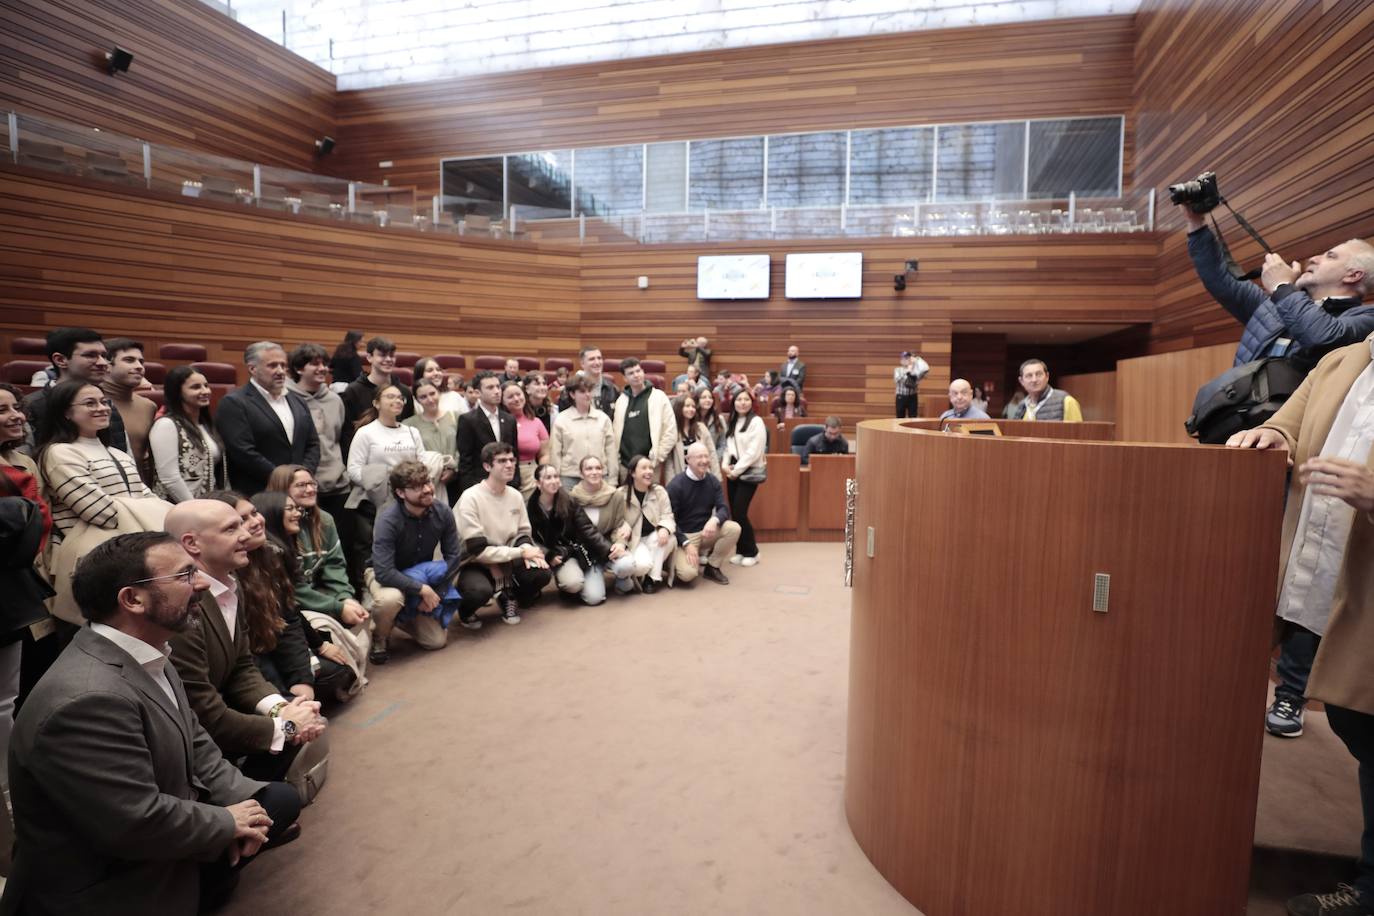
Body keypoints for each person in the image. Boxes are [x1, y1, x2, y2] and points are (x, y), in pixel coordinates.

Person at [0, 532, 300, 916]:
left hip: (155, 837)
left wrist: (246, 808)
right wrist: (225, 822)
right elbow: (134, 821)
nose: (204, 583)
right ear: (132, 599)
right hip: (109, 886)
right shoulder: (87, 700)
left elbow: (197, 745)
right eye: (186, 574)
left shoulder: (148, 651)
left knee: (274, 800)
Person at [1226, 337, 1374, 916]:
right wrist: (1276, 437)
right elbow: (1289, 424)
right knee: (1355, 723)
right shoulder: (1343, 360)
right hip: (1326, 581)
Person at [164, 499, 326, 782]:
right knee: (283, 793)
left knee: (302, 722)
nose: (245, 535)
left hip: (220, 716)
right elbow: (200, 709)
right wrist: (285, 727)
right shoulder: (181, 606)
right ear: (192, 544)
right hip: (187, 744)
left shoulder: (229, 585)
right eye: (231, 529)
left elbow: (242, 668)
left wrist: (282, 708)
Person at [1184, 208, 1374, 368]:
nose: (1314, 258)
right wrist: (1195, 223)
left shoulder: (1366, 319)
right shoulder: (1275, 305)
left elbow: (1323, 339)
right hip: (1236, 409)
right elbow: (1220, 279)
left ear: (1353, 275)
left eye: (1330, 256)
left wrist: (1282, 286)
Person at [249, 491, 359, 702]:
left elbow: (290, 613)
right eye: (289, 509)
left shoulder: (280, 549)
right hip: (263, 651)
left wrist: (343, 599)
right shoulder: (263, 558)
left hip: (287, 634)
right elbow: (294, 604)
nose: (298, 513)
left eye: (297, 508)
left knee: (336, 669)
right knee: (328, 671)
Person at [367, 460, 468, 660]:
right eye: (417, 487)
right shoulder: (387, 519)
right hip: (385, 575)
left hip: (421, 574)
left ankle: (397, 617)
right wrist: (422, 590)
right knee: (390, 599)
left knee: (436, 641)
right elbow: (383, 571)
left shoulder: (442, 512)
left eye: (428, 482)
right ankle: (380, 635)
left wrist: (435, 593)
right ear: (400, 493)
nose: (427, 489)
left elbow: (454, 557)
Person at [35, 379, 154, 541]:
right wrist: (149, 517)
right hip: (94, 551)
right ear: (65, 412)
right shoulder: (60, 453)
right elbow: (101, 514)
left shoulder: (119, 454)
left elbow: (150, 499)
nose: (102, 408)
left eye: (104, 402)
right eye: (90, 403)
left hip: (133, 540)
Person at [455, 442, 551, 624]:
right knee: (478, 592)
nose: (509, 465)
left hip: (508, 556)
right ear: (487, 466)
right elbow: (477, 550)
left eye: (512, 460)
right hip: (476, 562)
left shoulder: (515, 495)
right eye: (502, 461)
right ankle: (465, 612)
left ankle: (511, 595)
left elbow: (523, 532)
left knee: (541, 572)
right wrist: (521, 553)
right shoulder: (471, 497)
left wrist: (527, 549)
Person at [266, 465, 370, 630]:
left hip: (317, 593)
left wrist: (344, 598)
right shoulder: (273, 527)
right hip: (286, 606)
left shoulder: (324, 520)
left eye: (312, 483)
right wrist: (337, 607)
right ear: (282, 490)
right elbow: (291, 588)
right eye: (301, 485)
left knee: (352, 613)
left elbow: (335, 565)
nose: (310, 489)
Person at [216, 341, 321, 496]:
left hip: (299, 492)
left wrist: (302, 477)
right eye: (272, 366)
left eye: (283, 365)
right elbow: (243, 452)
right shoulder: (234, 403)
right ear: (252, 369)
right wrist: (283, 480)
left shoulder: (297, 400)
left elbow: (312, 444)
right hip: (259, 493)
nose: (280, 371)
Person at [527, 464, 621, 606]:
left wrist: (609, 550)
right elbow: (530, 538)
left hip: (575, 553)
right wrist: (548, 554)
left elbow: (588, 529)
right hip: (551, 555)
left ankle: (578, 581)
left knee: (591, 596)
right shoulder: (530, 507)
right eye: (548, 478)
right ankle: (560, 585)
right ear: (538, 483)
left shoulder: (569, 501)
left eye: (556, 477)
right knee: (572, 584)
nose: (554, 481)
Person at [22, 327, 127, 454]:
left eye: (104, 356)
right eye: (91, 355)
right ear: (61, 360)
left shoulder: (107, 405)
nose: (102, 362)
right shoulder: (30, 407)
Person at [286, 343, 350, 533]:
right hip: (304, 487)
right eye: (315, 364)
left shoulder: (335, 400)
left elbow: (338, 439)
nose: (322, 368)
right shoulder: (287, 399)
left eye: (324, 364)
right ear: (298, 368)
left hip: (338, 485)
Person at [149, 366, 228, 502]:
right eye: (196, 387)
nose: (205, 391)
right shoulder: (166, 425)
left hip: (209, 503)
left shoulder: (206, 425)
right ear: (177, 392)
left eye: (206, 385)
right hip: (179, 508)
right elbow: (169, 478)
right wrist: (194, 508)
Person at [666, 442, 739, 586]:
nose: (704, 460)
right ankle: (669, 562)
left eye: (706, 456)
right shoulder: (676, 485)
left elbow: (723, 508)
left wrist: (715, 520)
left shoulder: (712, 481)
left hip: (706, 532)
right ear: (688, 460)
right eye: (699, 457)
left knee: (734, 528)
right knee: (688, 575)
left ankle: (712, 567)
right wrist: (686, 543)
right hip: (684, 536)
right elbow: (669, 520)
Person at [568, 455, 637, 595]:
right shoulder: (572, 498)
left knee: (626, 565)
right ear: (581, 473)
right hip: (588, 554)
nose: (594, 472)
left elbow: (620, 524)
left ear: (603, 471)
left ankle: (622, 580)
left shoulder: (614, 495)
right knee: (593, 598)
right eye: (589, 468)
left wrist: (620, 543)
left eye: (598, 468)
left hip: (610, 547)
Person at [341, 336, 414, 455]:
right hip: (364, 457)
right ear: (369, 357)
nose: (388, 359)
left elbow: (409, 427)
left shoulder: (404, 392)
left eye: (391, 355)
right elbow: (347, 433)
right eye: (382, 355)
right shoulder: (353, 391)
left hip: (399, 455)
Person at [100, 338, 157, 484]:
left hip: (140, 488)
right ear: (107, 366)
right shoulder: (93, 404)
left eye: (141, 361)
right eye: (129, 360)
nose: (139, 367)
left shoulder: (148, 406)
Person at [612, 357, 678, 484]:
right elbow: (616, 433)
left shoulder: (659, 397)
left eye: (638, 371)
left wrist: (657, 458)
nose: (636, 375)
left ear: (643, 372)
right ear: (625, 378)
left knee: (650, 501)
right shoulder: (621, 400)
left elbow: (670, 431)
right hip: (626, 466)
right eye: (631, 373)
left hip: (650, 465)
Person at [619, 453, 676, 593]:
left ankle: (651, 579)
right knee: (641, 566)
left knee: (667, 538)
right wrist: (624, 526)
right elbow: (616, 521)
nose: (649, 471)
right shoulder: (621, 493)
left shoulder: (659, 491)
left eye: (650, 468)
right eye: (644, 468)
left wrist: (664, 528)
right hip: (635, 541)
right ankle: (648, 569)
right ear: (632, 472)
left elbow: (668, 515)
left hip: (654, 538)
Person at [721, 389, 766, 567]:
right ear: (734, 403)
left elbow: (753, 452)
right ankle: (740, 551)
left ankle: (753, 552)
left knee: (740, 512)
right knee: (735, 514)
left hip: (748, 472)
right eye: (739, 399)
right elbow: (727, 447)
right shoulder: (732, 420)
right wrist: (725, 465)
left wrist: (736, 471)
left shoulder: (756, 422)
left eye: (746, 399)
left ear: (751, 402)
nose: (742, 402)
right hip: (733, 471)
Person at [549, 375, 617, 491]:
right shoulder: (561, 419)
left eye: (589, 391)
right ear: (572, 394)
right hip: (570, 478)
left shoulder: (603, 419)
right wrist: (557, 479)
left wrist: (613, 479)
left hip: (599, 476)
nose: (587, 395)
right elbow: (555, 453)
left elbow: (611, 451)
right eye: (582, 391)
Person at [456, 370, 519, 494]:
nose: (497, 391)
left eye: (498, 387)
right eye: (490, 387)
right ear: (478, 393)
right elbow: (465, 460)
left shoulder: (509, 419)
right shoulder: (467, 420)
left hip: (507, 485)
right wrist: (470, 489)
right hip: (480, 485)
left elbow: (515, 452)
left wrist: (515, 482)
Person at [404, 379, 461, 504]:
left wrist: (453, 468)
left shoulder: (456, 417)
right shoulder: (409, 424)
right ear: (417, 400)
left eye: (432, 394)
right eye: (423, 397)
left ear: (439, 393)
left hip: (457, 480)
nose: (430, 400)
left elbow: (463, 447)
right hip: (427, 482)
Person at [505, 380, 549, 499]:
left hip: (531, 476)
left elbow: (544, 454)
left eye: (518, 394)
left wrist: (541, 475)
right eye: (510, 397)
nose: (516, 399)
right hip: (506, 474)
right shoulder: (500, 423)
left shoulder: (536, 422)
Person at [664, 392, 720, 481]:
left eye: (693, 406)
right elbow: (669, 463)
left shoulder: (701, 428)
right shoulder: (673, 431)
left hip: (702, 478)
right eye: (687, 406)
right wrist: (671, 485)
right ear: (679, 408)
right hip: (682, 480)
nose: (691, 409)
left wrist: (717, 479)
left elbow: (712, 454)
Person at [1011, 359, 1082, 422]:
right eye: (1029, 376)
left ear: (1047, 376)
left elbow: (1077, 434)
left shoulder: (1066, 401)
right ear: (1021, 381)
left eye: (1039, 374)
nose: (1034, 380)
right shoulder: (1022, 405)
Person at [557, 346, 617, 415]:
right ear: (582, 364)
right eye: (592, 359)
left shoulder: (613, 389)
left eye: (599, 358)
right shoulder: (568, 391)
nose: (597, 362)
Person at [894, 350, 930, 418]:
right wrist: (907, 372)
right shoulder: (898, 370)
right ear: (901, 360)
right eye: (903, 358)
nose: (905, 360)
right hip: (901, 396)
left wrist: (917, 360)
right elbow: (897, 380)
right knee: (899, 416)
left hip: (912, 396)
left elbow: (926, 372)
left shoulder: (916, 370)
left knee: (913, 416)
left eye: (907, 358)